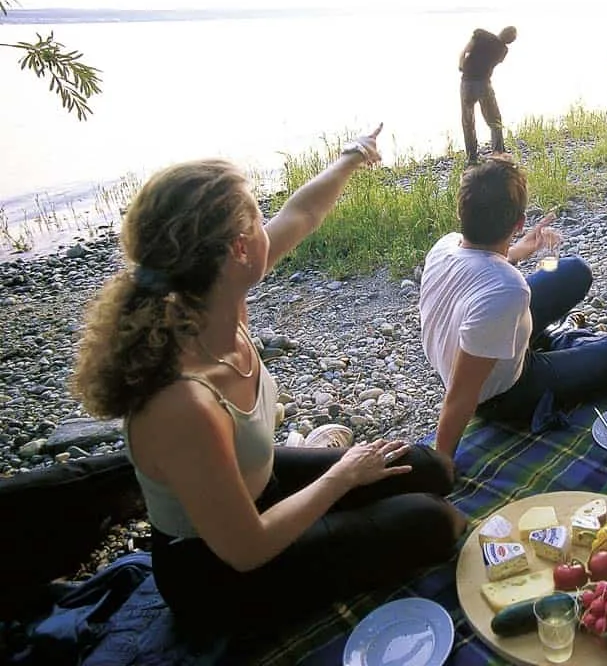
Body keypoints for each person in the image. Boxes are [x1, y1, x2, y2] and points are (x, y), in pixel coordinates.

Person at [71, 127, 466, 636]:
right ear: (239, 248)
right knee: (433, 520)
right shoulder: (183, 400)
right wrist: (341, 476)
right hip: (220, 574)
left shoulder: (211, 298)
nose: (270, 223)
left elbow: (303, 215)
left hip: (259, 484)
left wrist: (351, 157)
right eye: (260, 215)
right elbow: (247, 548)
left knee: (429, 466)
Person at [419, 157, 607, 459]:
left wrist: (521, 250)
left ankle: (552, 340)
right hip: (501, 394)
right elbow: (463, 394)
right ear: (518, 223)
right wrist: (442, 461)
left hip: (473, 347)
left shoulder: (445, 245)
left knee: (575, 270)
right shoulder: (507, 288)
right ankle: (562, 341)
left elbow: (482, 263)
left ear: (461, 212)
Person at [459, 26, 517, 165]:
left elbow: (465, 51)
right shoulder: (503, 51)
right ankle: (498, 152)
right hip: (483, 85)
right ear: (510, 40)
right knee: (494, 120)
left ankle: (472, 157)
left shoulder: (481, 35)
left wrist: (461, 65)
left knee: (468, 122)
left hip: (466, 83)